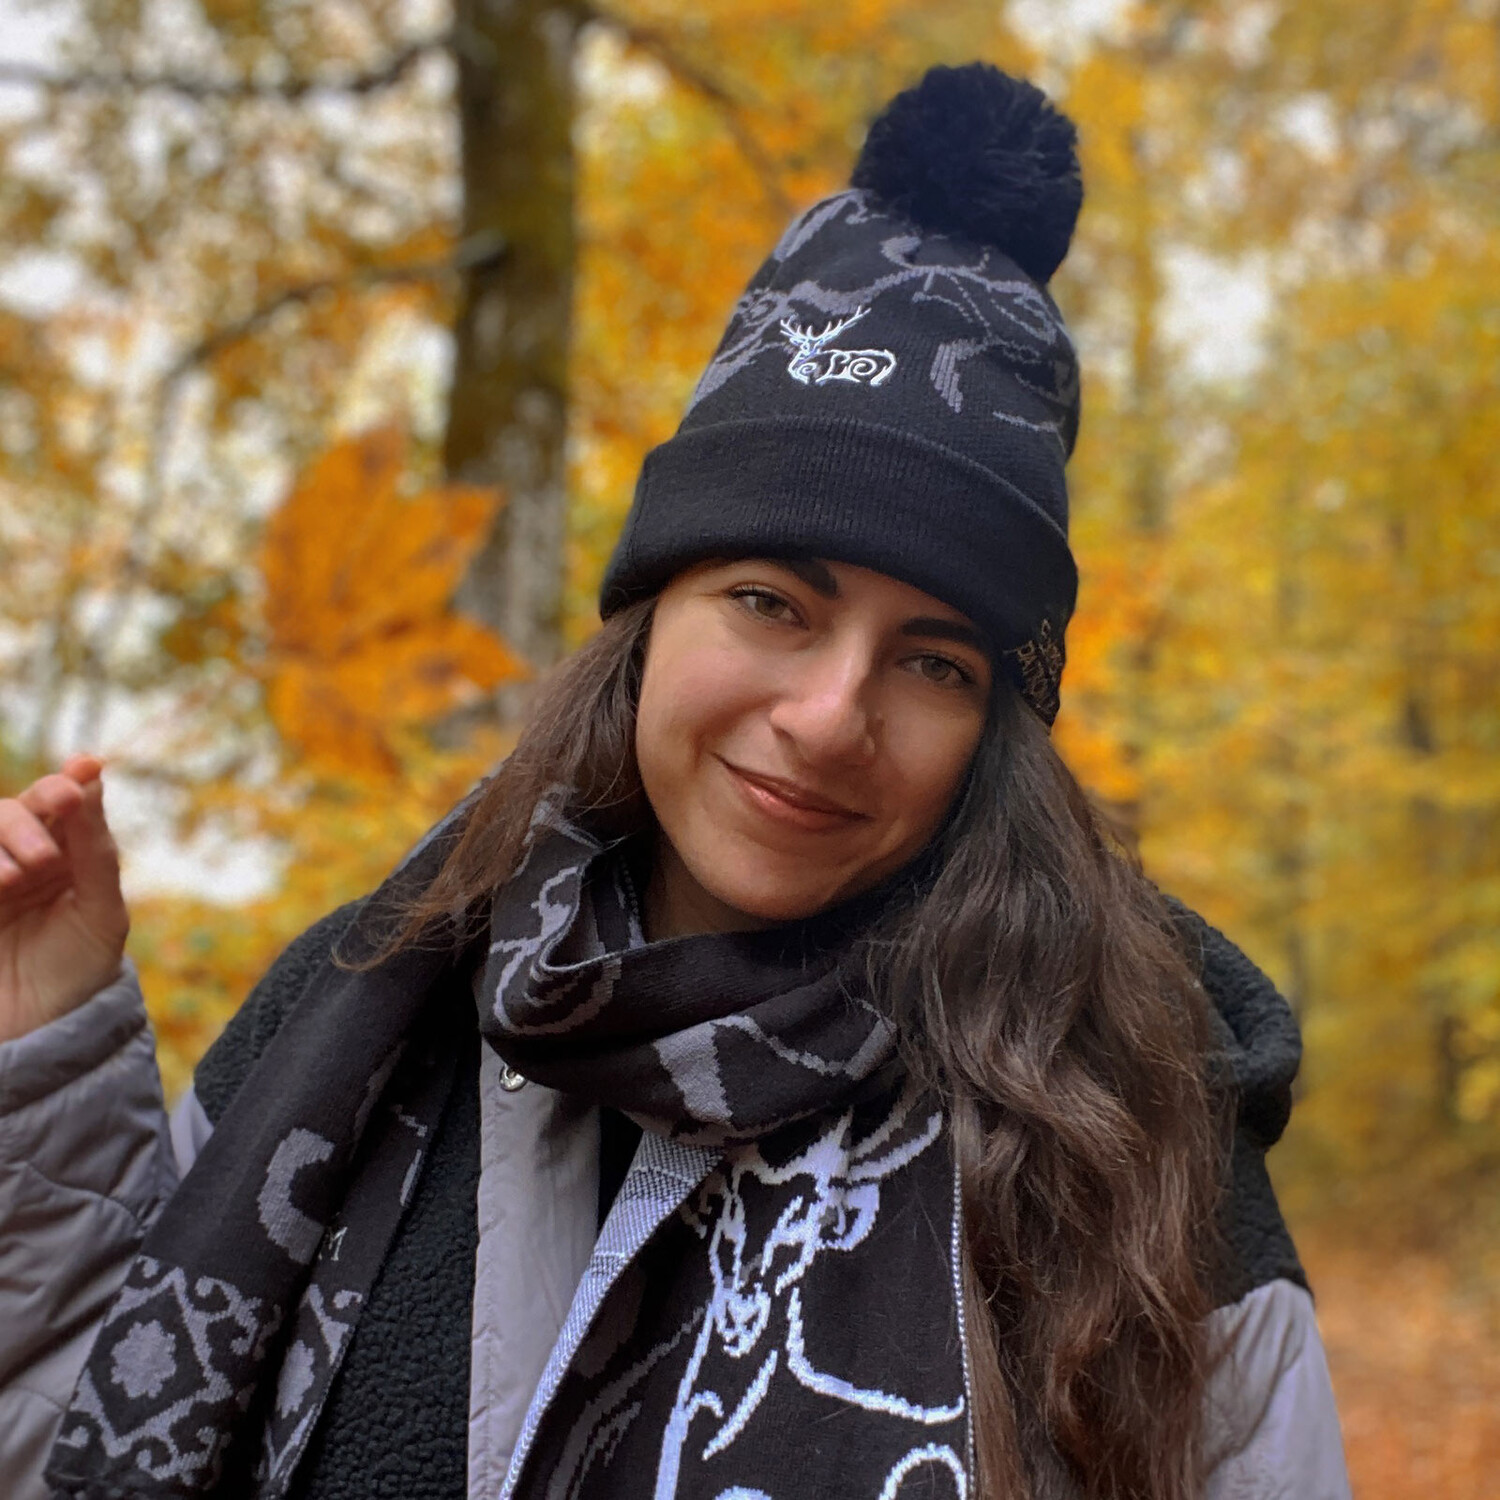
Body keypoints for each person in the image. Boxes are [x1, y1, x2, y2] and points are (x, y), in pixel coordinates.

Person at [0, 62, 1350, 1500]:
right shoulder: (353, 1018)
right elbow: (103, 1436)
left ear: (995, 733)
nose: (830, 718)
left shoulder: (1135, 1144)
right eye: (772, 602)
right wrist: (46, 1056)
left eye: (935, 662)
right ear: (652, 616)